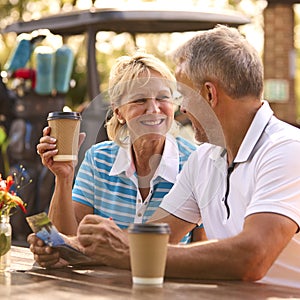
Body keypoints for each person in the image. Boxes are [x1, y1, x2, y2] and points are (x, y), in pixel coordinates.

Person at [29, 25, 300, 288]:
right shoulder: (205, 160)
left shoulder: (286, 149)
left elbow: (252, 257)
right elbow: (157, 237)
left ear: (209, 93)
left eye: (179, 96)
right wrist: (68, 247)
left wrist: (125, 253)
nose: (179, 109)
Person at [34, 51, 200, 243]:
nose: (154, 109)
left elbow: (202, 254)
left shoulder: (194, 162)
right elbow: (64, 243)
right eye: (140, 100)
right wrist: (63, 177)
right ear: (118, 112)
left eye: (163, 98)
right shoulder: (98, 159)